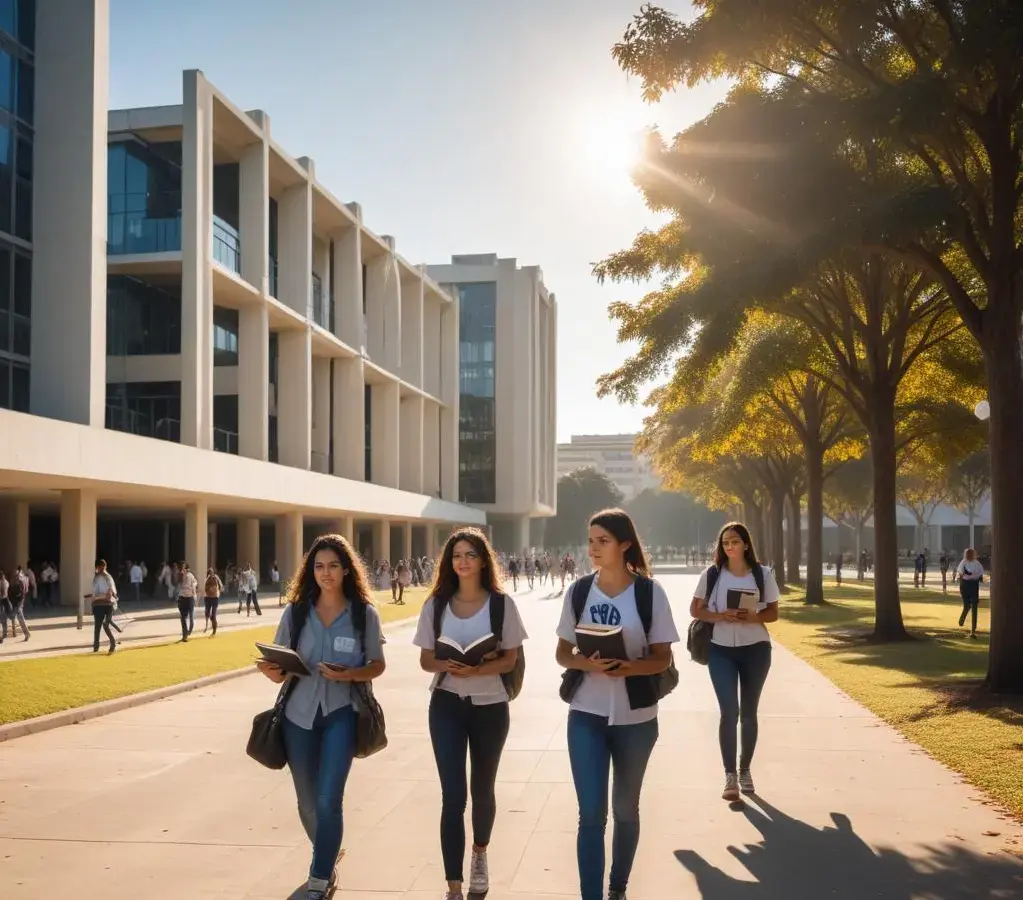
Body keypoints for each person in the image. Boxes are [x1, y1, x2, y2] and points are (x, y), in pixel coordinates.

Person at [555, 509, 679, 900]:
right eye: (591, 540)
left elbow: (663, 658)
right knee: (591, 815)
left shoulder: (649, 593)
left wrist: (629, 668)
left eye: (603, 541)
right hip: (586, 714)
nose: (593, 548)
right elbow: (562, 653)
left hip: (637, 718)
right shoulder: (578, 591)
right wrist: (586, 662)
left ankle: (617, 888)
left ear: (625, 543)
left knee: (626, 809)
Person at [256, 534, 386, 900]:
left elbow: (377, 665)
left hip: (341, 714)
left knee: (330, 799)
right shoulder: (295, 612)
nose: (325, 573)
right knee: (307, 802)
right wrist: (274, 671)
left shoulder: (364, 615)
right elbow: (279, 660)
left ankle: (318, 879)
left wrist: (350, 674)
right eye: (318, 566)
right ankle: (328, 856)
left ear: (346, 570)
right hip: (299, 716)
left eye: (332, 566)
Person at [413, 527, 527, 900]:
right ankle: (453, 885)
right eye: (456, 555)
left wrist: (477, 669)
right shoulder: (435, 605)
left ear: (483, 560)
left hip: (491, 706)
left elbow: (510, 657)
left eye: (470, 555)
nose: (462, 561)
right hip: (446, 704)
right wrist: (450, 662)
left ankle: (480, 854)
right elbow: (426, 659)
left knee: (482, 790)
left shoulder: (501, 604)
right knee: (453, 796)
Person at [691, 521, 780, 802]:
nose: (729, 546)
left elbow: (773, 613)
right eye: (725, 542)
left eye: (734, 541)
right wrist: (721, 616)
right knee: (729, 712)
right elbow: (695, 609)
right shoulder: (712, 574)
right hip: (721, 649)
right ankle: (729, 775)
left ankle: (745, 770)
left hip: (756, 649)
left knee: (749, 713)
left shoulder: (762, 574)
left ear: (746, 545)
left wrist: (752, 616)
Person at [956, 548, 985, 639]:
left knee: (974, 606)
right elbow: (960, 573)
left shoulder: (977, 563)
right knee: (967, 605)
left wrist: (980, 578)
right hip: (965, 585)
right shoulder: (963, 562)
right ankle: (962, 618)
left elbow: (981, 573)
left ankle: (973, 630)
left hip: (974, 585)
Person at [90, 560, 118, 654]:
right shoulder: (96, 578)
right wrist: (97, 598)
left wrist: (111, 593)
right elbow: (94, 592)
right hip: (98, 605)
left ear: (105, 567)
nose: (102, 569)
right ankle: (96, 647)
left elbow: (112, 590)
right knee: (97, 626)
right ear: (97, 567)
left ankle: (113, 643)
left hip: (108, 604)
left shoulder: (108, 577)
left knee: (106, 625)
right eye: (100, 567)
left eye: (103, 567)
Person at [177, 562, 199, 641]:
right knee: (183, 618)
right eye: (182, 568)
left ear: (187, 568)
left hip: (190, 598)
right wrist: (181, 576)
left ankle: (190, 629)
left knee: (191, 616)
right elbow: (178, 583)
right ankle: (185, 635)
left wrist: (195, 594)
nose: (183, 569)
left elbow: (195, 582)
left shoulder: (190, 575)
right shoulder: (180, 575)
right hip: (182, 598)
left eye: (185, 568)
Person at [203, 567, 224, 634]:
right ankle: (207, 625)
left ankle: (214, 629)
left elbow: (221, 586)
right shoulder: (207, 579)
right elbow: (205, 588)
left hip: (215, 598)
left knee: (213, 614)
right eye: (210, 572)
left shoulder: (216, 578)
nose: (211, 574)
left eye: (212, 572)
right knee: (207, 612)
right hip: (208, 598)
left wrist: (219, 590)